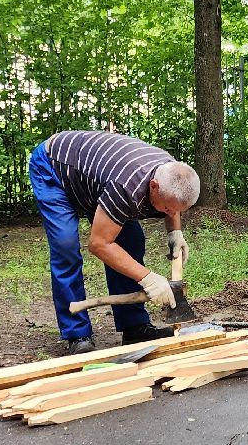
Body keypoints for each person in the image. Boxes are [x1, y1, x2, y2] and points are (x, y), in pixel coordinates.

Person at [28, 130, 201, 354]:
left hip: (97, 179)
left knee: (131, 240)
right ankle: (77, 333)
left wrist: (175, 232)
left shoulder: (172, 171)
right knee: (66, 247)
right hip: (55, 169)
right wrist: (148, 279)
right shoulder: (126, 187)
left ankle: (135, 327)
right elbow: (99, 244)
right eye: (167, 208)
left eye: (176, 210)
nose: (170, 213)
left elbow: (173, 203)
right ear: (153, 187)